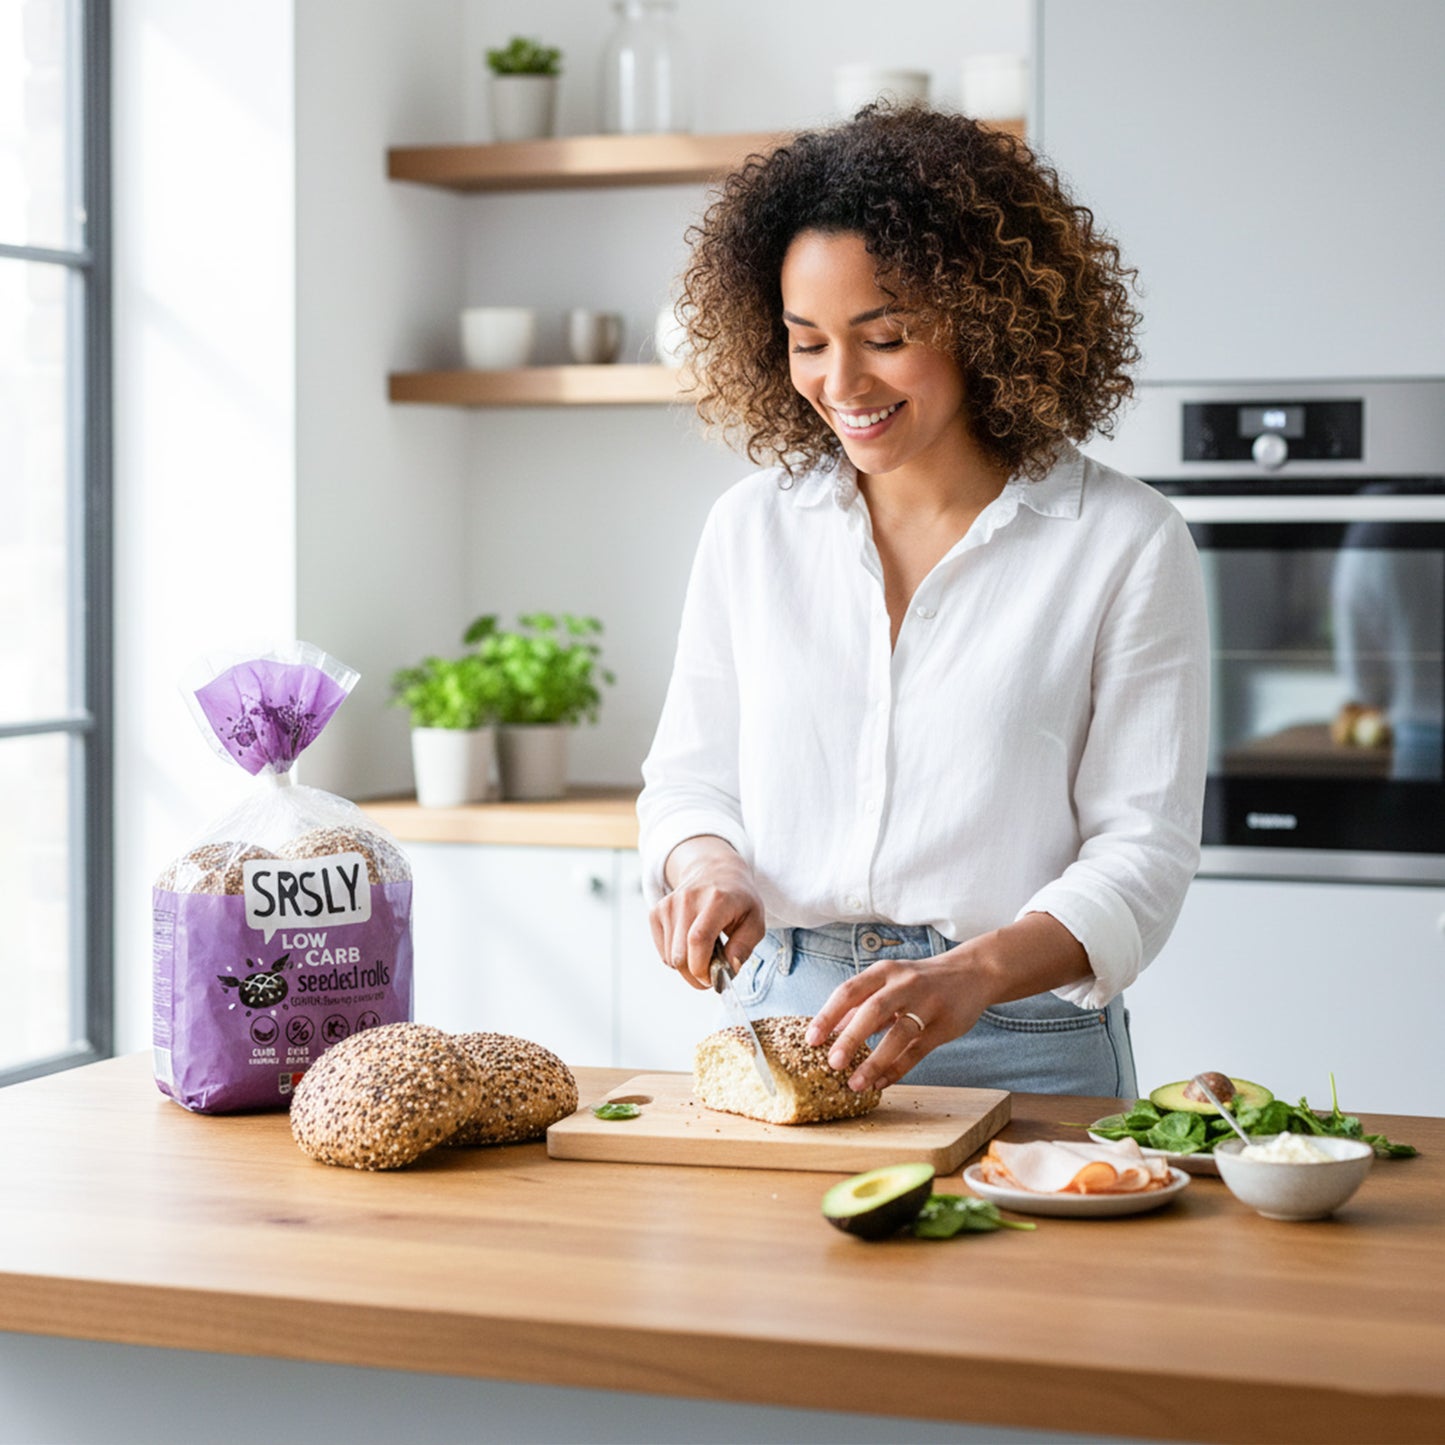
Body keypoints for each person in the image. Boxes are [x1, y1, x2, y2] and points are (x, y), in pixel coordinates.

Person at [637, 105, 1209, 1098]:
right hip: (781, 1022)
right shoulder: (749, 530)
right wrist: (707, 869)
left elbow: (1142, 848)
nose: (839, 380)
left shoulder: (1121, 541)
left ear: (985, 318)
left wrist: (972, 973)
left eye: (885, 335)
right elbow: (689, 780)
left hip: (1022, 1031)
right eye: (804, 340)